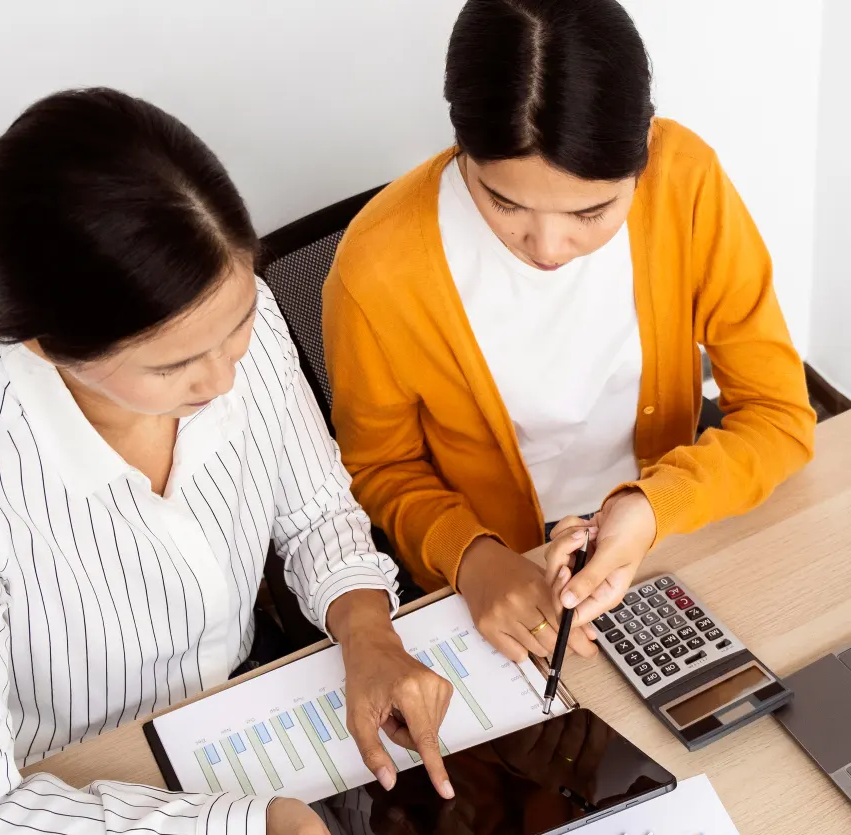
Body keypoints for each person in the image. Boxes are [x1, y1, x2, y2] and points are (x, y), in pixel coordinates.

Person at [0, 88, 458, 835]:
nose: (221, 380)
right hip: (63, 803)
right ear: (46, 342)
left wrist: (367, 630)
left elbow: (318, 513)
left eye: (238, 324)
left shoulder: (237, 322)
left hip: (231, 724)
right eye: (174, 368)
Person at [322, 0, 815, 668]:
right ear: (462, 145)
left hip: (671, 547)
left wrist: (651, 508)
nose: (548, 246)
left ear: (642, 156)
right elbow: (381, 468)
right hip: (501, 592)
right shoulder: (378, 266)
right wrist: (474, 559)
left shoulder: (684, 183)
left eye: (591, 210)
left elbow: (779, 416)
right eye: (504, 202)